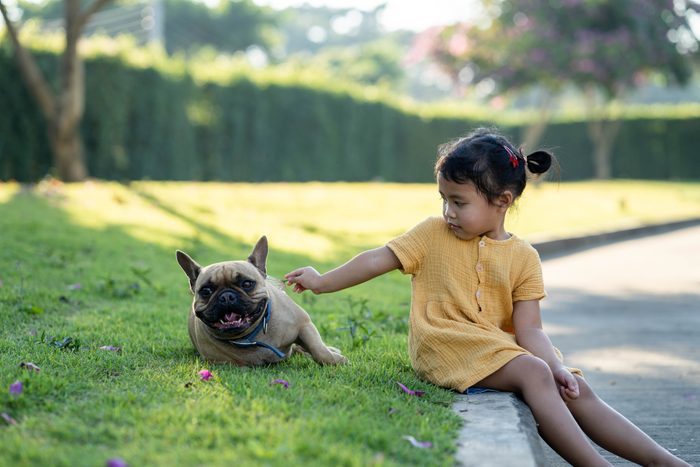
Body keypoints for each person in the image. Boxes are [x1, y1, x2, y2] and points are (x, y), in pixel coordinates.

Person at [284, 128, 690, 466]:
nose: (448, 212)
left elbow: (531, 331)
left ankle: (662, 460)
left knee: (571, 385)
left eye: (459, 202)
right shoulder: (430, 234)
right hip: (445, 345)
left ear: (502, 202)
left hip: (497, 350)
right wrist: (323, 281)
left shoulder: (523, 257)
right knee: (534, 373)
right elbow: (376, 260)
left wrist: (556, 367)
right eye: (444, 200)